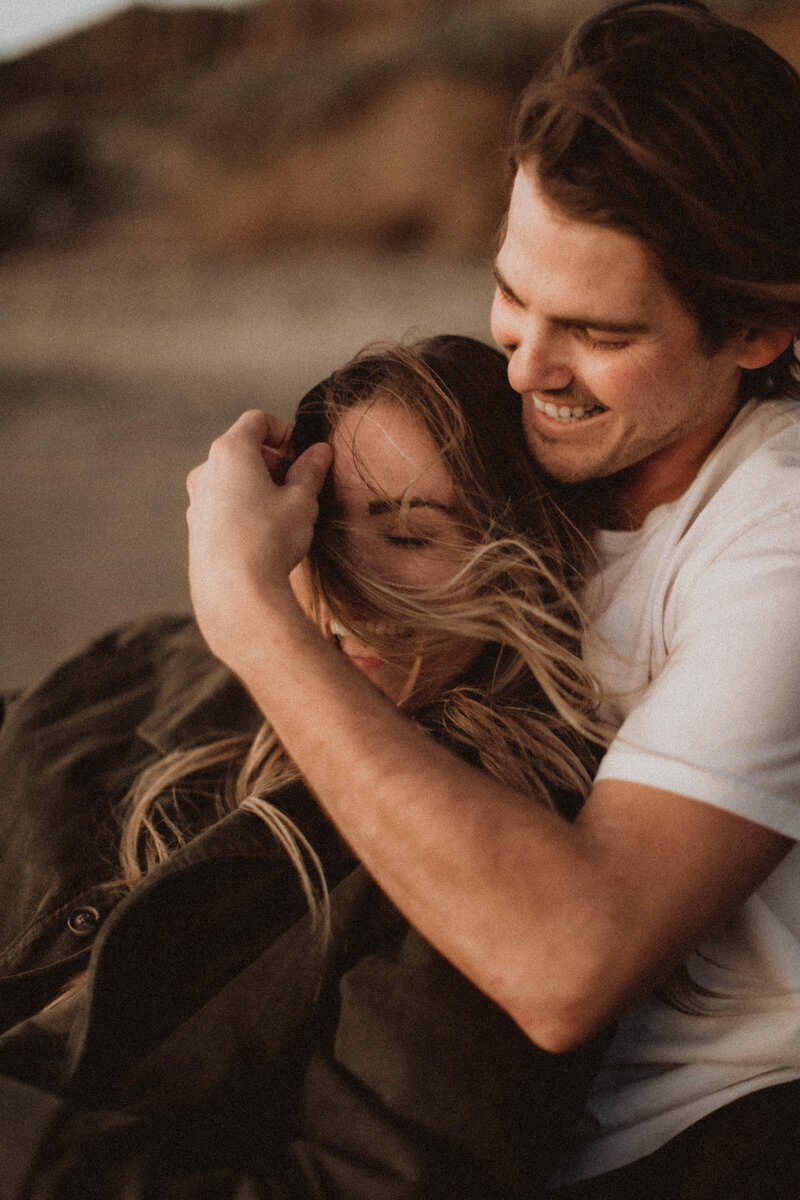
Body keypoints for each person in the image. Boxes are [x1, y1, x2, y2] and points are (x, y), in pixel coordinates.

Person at [183, 3, 800, 1197]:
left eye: (596, 332)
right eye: (513, 294)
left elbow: (566, 962)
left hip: (679, 1141)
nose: (524, 367)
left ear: (753, 329)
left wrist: (249, 617)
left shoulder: (773, 544)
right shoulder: (575, 453)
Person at [0, 336, 607, 1198]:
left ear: (531, 556)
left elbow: (374, 1183)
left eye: (407, 536)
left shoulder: (488, 858)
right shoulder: (145, 669)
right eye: (316, 528)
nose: (347, 586)